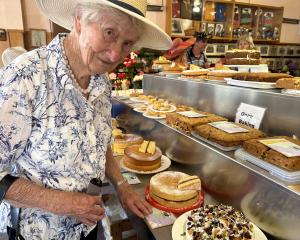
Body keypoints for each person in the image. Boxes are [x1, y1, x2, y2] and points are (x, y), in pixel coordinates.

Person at [0, 1, 171, 240]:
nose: (115, 55)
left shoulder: (100, 81)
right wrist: (66, 203)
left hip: (87, 226)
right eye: (109, 33)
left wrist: (122, 187)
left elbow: (100, 142)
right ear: (79, 20)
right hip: (38, 232)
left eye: (127, 43)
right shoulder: (25, 77)